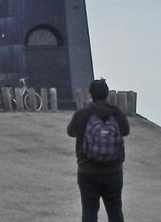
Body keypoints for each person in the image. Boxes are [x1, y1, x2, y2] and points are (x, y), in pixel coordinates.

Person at [67, 79, 131, 222]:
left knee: (89, 212)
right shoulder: (116, 113)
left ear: (90, 94)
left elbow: (70, 132)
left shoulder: (83, 114)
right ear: (107, 94)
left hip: (87, 171)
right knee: (115, 211)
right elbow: (126, 131)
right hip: (113, 170)